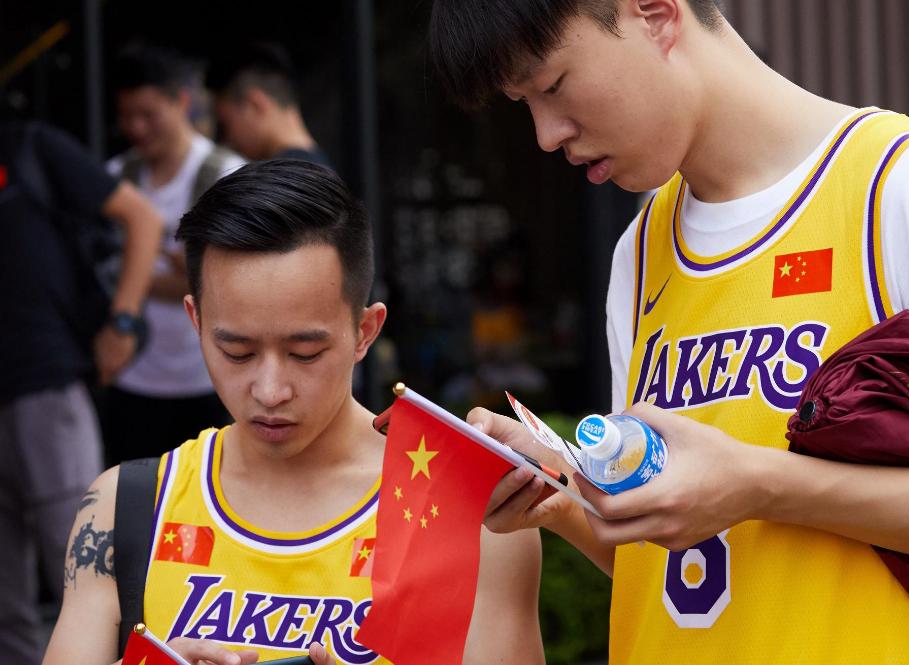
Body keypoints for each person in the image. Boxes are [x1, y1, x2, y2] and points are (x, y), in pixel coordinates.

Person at [427, 1, 909, 662]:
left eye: (553, 85)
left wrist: (767, 483)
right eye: (526, 107)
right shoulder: (640, 255)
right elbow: (693, 572)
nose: (548, 135)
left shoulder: (906, 189)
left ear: (655, 12)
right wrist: (560, 492)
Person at [43, 160, 544, 664]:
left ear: (365, 331)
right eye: (237, 352)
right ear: (195, 321)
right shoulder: (125, 509)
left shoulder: (472, 519)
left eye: (305, 353)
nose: (270, 389)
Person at [0, 118, 162, 662]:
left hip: (45, 384)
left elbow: (142, 217)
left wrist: (123, 322)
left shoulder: (29, 145)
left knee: (86, 570)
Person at [102, 44, 245, 466]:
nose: (137, 127)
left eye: (148, 114)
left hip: (209, 382)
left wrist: (138, 272)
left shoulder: (226, 175)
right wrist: (176, 274)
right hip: (133, 379)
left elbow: (232, 280)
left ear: (181, 101)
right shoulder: (115, 177)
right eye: (127, 116)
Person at [206, 43, 334, 169]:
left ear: (255, 106)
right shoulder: (316, 169)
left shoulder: (284, 177)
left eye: (225, 124)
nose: (227, 140)